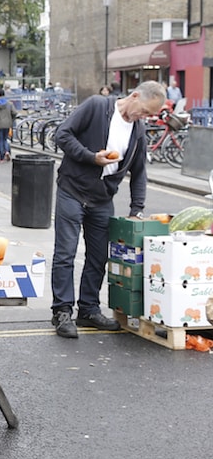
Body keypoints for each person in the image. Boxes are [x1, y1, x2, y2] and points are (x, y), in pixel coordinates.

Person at [50, 81, 167, 339]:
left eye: (149, 115)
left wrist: (137, 208)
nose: (144, 118)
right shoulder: (96, 106)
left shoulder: (137, 130)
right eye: (145, 111)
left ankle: (89, 308)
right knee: (66, 253)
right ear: (134, 96)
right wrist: (91, 157)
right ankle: (62, 311)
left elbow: (139, 173)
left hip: (102, 199)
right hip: (72, 190)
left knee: (99, 256)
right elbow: (62, 135)